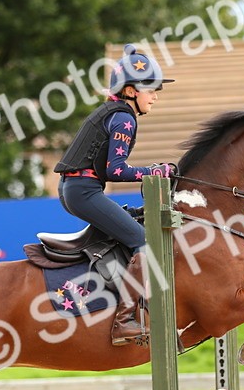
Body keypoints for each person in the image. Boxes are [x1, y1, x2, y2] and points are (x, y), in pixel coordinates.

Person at [54, 44, 176, 346]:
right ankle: (123, 321)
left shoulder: (113, 112)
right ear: (132, 91)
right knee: (143, 242)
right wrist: (155, 171)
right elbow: (116, 171)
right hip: (83, 190)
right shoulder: (124, 119)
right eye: (152, 89)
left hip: (75, 189)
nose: (156, 96)